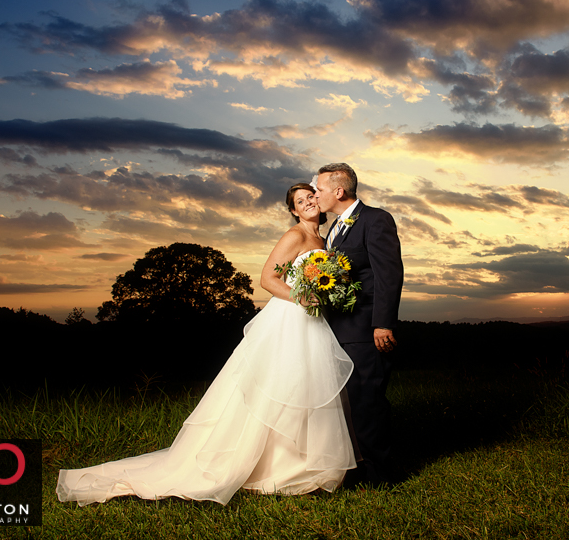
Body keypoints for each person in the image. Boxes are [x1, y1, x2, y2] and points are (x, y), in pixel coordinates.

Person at [56, 184, 356, 506]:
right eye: (301, 201)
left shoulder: (324, 240)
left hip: (313, 320)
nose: (309, 202)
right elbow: (268, 279)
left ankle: (303, 465)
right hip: (290, 319)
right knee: (281, 385)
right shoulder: (294, 236)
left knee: (308, 385)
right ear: (294, 210)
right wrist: (301, 296)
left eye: (311, 196)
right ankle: (272, 467)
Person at [314, 163, 403, 486]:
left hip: (366, 331)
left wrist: (382, 324)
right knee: (348, 403)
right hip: (338, 329)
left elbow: (388, 275)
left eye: (320, 189)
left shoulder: (375, 220)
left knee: (368, 400)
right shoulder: (334, 229)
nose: (316, 195)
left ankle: (382, 476)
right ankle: (356, 467)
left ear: (339, 191)